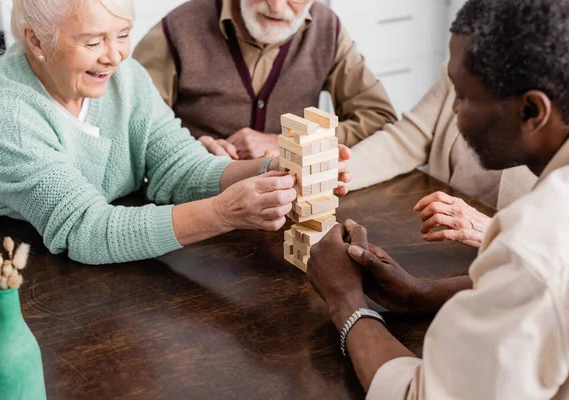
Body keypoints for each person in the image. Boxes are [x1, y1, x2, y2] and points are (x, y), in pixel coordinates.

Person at [308, 0, 569, 398]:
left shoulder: (537, 241)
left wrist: (346, 301)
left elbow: (424, 394)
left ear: (532, 110)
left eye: (462, 98)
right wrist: (419, 294)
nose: (454, 111)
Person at [0, 0, 351, 265]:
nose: (115, 55)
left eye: (122, 34)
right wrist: (224, 213)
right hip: (10, 277)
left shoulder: (126, 78)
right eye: (93, 41)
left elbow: (179, 166)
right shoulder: (0, 109)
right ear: (35, 39)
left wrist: (273, 167)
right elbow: (86, 230)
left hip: (114, 270)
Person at [132, 0, 397, 159]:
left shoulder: (329, 29)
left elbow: (379, 118)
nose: (276, 7)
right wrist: (189, 150)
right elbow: (132, 132)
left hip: (290, 203)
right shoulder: (178, 28)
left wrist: (286, 142)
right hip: (199, 200)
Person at [347, 62, 538, 248]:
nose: (456, 107)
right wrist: (338, 171)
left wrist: (492, 232)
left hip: (509, 262)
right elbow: (405, 140)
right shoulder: (460, 65)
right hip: (439, 243)